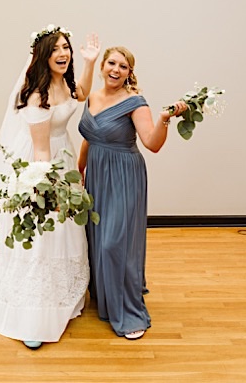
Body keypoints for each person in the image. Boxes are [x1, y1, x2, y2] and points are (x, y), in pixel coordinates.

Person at [0, 27, 99, 349]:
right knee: (44, 233)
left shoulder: (65, 82)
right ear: (42, 55)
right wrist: (49, 188)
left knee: (66, 233)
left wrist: (90, 61)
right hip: (41, 163)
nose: (64, 52)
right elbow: (41, 150)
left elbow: (81, 92)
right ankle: (32, 312)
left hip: (64, 156)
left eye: (67, 47)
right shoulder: (36, 96)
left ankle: (63, 296)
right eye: (56, 48)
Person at [79, 46, 186, 340]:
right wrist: (79, 171)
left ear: (129, 72)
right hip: (98, 175)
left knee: (115, 242)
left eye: (123, 66)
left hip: (125, 175)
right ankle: (105, 294)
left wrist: (165, 118)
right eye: (111, 63)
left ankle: (126, 307)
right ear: (102, 66)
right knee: (97, 238)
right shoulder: (92, 96)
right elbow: (89, 138)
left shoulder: (135, 102)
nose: (116, 70)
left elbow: (152, 143)